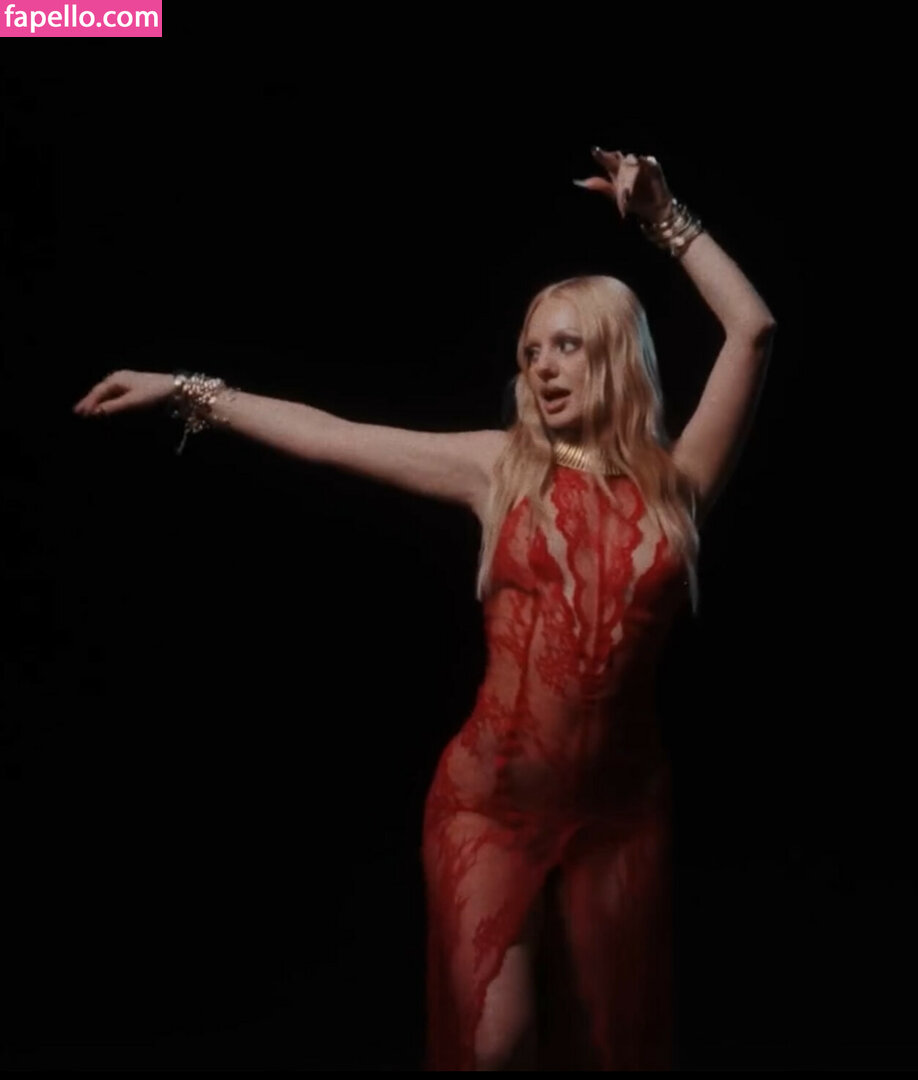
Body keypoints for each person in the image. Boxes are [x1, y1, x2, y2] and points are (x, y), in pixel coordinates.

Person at [72, 148, 777, 1070]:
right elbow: (335, 437)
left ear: (615, 350)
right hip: (489, 808)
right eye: (530, 351)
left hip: (618, 817)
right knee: (499, 1050)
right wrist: (189, 390)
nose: (543, 367)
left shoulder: (678, 486)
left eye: (566, 344)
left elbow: (752, 329)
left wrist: (663, 218)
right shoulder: (500, 467)